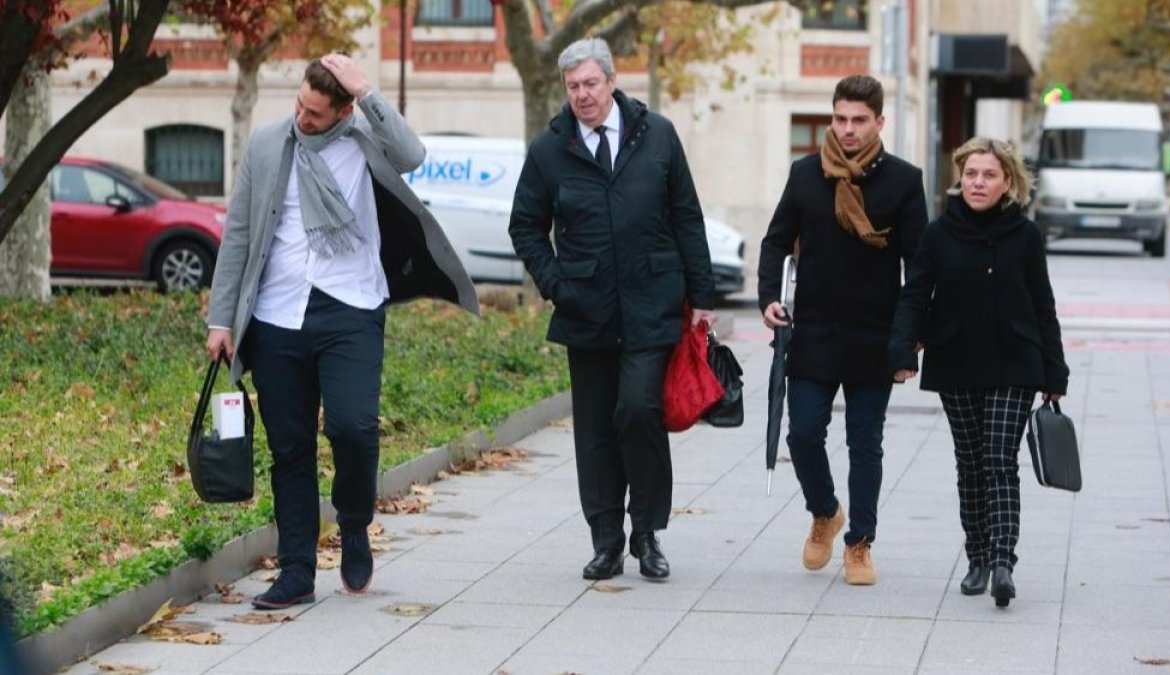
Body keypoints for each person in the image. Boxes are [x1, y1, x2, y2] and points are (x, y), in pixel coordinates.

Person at [205, 53, 479, 609]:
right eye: (300, 105)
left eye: (316, 112)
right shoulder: (267, 144)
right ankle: (297, 570)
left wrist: (369, 92)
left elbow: (414, 155)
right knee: (290, 448)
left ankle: (354, 523)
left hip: (350, 307)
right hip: (278, 314)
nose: (302, 118)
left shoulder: (364, 138)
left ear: (344, 110)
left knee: (354, 428)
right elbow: (238, 234)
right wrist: (221, 317)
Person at [508, 37, 716, 582]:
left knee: (639, 410)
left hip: (653, 304)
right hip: (585, 307)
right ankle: (606, 540)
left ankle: (647, 533)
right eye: (573, 86)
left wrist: (704, 296)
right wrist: (555, 283)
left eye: (591, 84)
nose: (582, 95)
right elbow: (525, 226)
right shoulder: (549, 150)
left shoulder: (658, 135)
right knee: (596, 428)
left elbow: (687, 216)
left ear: (612, 80)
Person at [758, 75, 927, 586]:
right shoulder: (807, 174)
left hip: (874, 333)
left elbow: (919, 267)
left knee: (865, 442)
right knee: (803, 433)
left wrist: (910, 336)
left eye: (858, 120)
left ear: (880, 122)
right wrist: (768, 297)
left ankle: (860, 543)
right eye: (840, 119)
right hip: (813, 330)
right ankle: (826, 511)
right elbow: (775, 242)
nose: (848, 129)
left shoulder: (903, 180)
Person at [888, 137, 1068, 607]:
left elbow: (1043, 305)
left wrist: (1055, 373)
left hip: (1016, 362)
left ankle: (1003, 561)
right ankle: (978, 559)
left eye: (989, 175)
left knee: (999, 459)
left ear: (1007, 181)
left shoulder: (1026, 237)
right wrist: (902, 350)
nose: (979, 183)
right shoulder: (938, 234)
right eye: (971, 174)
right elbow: (915, 295)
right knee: (970, 465)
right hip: (956, 360)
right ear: (959, 179)